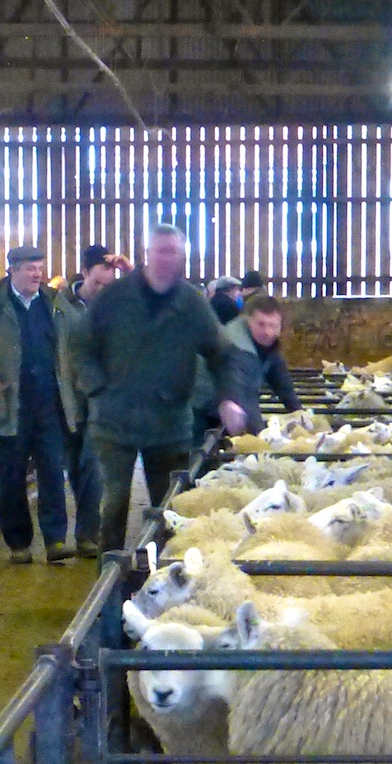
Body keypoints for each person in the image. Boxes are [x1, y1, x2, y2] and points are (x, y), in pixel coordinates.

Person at [71, 224, 251, 554]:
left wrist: (229, 398)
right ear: (147, 254)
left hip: (169, 425)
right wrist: (96, 389)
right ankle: (110, 591)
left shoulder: (192, 304)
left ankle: (163, 579)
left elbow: (223, 354)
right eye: (161, 251)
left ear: (183, 256)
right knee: (113, 506)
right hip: (115, 422)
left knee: (170, 510)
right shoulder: (115, 297)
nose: (167, 258)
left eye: (174, 252)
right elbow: (80, 345)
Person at [0, 246, 79, 564]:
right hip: (8, 406)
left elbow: (77, 335)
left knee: (51, 473)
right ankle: (19, 543)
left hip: (49, 403)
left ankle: (55, 540)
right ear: (13, 270)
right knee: (11, 477)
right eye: (31, 268)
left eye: (40, 267)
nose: (37, 274)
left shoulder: (53, 302)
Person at [55, 244, 131, 558]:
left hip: (99, 398)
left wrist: (129, 272)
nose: (102, 290)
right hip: (64, 398)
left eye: (108, 284)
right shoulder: (60, 305)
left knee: (90, 466)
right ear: (84, 273)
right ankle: (78, 531)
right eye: (98, 283)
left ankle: (87, 535)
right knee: (72, 465)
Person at [191, 294, 302, 438]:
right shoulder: (239, 348)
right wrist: (261, 439)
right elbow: (246, 399)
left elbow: (278, 375)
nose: (268, 332)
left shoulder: (264, 343)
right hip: (201, 406)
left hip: (225, 403)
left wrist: (299, 413)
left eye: (273, 325)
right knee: (202, 450)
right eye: (261, 324)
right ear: (248, 320)